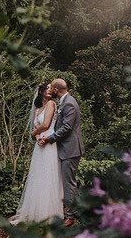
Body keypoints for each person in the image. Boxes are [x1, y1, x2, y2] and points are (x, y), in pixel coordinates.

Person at [9, 82, 64, 223]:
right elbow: (35, 130)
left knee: (48, 175)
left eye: (51, 89)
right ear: (41, 91)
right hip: (39, 144)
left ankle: (48, 214)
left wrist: (35, 133)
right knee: (38, 177)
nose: (50, 90)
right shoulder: (38, 108)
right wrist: (37, 137)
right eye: (47, 88)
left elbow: (45, 125)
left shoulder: (51, 104)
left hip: (50, 142)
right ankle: (35, 210)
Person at [37, 78, 84, 226]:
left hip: (70, 149)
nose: (51, 91)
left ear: (57, 90)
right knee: (68, 182)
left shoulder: (69, 102)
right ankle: (75, 211)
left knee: (68, 183)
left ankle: (70, 217)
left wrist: (49, 139)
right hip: (66, 148)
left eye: (52, 88)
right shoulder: (64, 102)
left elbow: (67, 128)